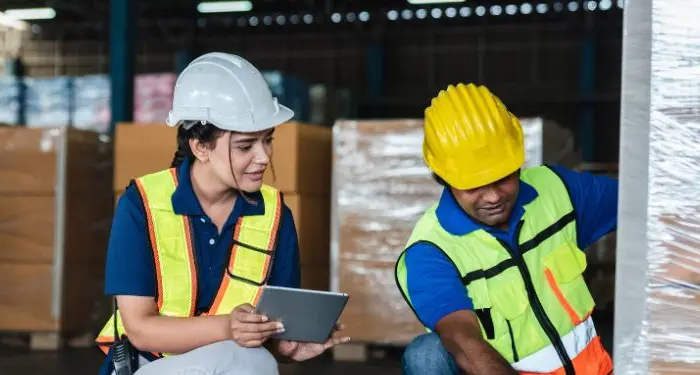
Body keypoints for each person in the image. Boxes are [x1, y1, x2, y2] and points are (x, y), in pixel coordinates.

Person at [94, 52, 350, 375]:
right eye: (246, 146)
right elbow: (140, 329)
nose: (263, 157)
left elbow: (266, 331)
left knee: (257, 360)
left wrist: (287, 346)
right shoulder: (141, 206)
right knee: (250, 361)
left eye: (267, 140)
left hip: (230, 364)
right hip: (148, 366)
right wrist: (228, 328)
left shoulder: (275, 217)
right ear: (201, 147)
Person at [394, 83, 617, 375]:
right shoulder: (430, 251)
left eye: (502, 177)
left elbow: (649, 202)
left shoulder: (557, 191)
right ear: (443, 177)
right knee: (427, 356)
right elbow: (461, 336)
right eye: (474, 185)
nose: (493, 196)